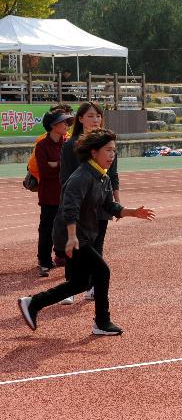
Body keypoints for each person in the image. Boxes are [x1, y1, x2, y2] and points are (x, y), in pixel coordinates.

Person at [18, 129, 156, 336]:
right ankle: (102, 321)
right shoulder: (81, 177)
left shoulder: (102, 177)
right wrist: (72, 237)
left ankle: (33, 303)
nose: (112, 155)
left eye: (114, 151)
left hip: (81, 235)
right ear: (94, 152)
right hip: (71, 236)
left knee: (80, 282)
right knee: (102, 271)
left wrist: (132, 212)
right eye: (108, 150)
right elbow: (68, 209)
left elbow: (108, 205)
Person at [60, 101, 120, 305]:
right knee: (75, 247)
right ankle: (70, 286)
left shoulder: (107, 142)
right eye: (91, 116)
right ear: (80, 119)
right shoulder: (71, 145)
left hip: (101, 204)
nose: (95, 120)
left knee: (97, 246)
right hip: (81, 207)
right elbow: (66, 177)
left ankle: (93, 286)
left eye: (98, 116)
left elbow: (113, 175)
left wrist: (116, 203)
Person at [34, 110, 74, 276]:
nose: (66, 125)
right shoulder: (42, 145)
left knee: (66, 227)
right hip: (49, 195)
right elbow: (44, 171)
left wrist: (55, 164)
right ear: (53, 125)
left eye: (67, 122)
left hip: (67, 194)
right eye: (63, 122)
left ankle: (63, 256)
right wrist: (60, 166)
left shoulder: (68, 143)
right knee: (46, 228)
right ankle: (44, 260)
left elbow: (71, 168)